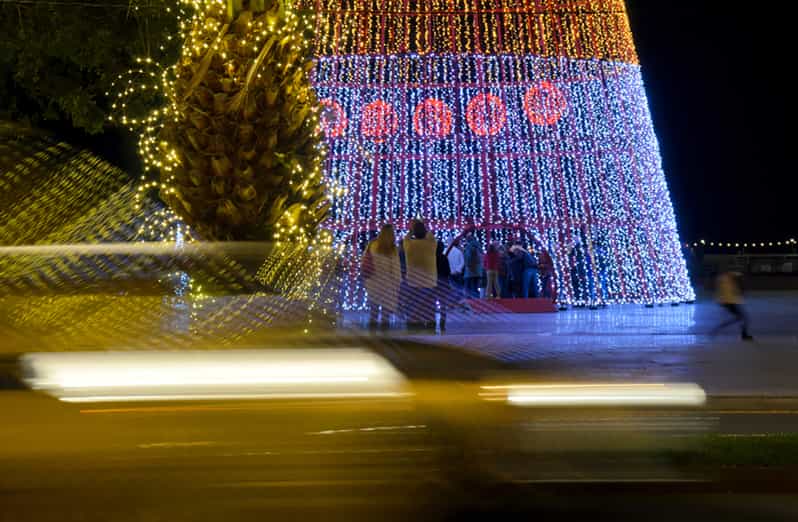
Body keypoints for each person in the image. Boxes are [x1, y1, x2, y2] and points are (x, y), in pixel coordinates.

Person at [361, 224, 402, 331]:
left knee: (373, 312)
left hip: (373, 284)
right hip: (388, 285)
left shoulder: (372, 245)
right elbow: (396, 269)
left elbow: (364, 261)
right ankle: (384, 338)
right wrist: (398, 284)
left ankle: (372, 336)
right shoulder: (392, 249)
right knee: (385, 315)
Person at [402, 219, 438, 330]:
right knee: (429, 305)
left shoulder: (409, 245)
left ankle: (414, 323)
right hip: (430, 281)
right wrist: (423, 226)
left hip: (413, 281)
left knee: (414, 304)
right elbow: (431, 235)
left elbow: (406, 238)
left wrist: (411, 230)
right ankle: (431, 323)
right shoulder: (431, 245)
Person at [712, 270, 753, 340]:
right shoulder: (726, 277)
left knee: (740, 317)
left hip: (728, 301)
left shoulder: (723, 278)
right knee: (743, 317)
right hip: (729, 302)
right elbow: (739, 276)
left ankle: (717, 329)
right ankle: (744, 334)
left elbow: (738, 277)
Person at [435, 240, 455, 333]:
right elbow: (448, 272)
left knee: (432, 303)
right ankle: (443, 323)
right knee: (443, 305)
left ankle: (432, 322)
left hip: (434, 283)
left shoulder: (432, 258)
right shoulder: (444, 258)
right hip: (443, 284)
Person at [462, 229, 482, 299]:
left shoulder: (469, 247)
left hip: (470, 271)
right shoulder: (478, 245)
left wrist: (466, 265)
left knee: (468, 288)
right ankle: (476, 301)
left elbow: (468, 258)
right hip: (478, 270)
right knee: (475, 287)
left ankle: (471, 302)